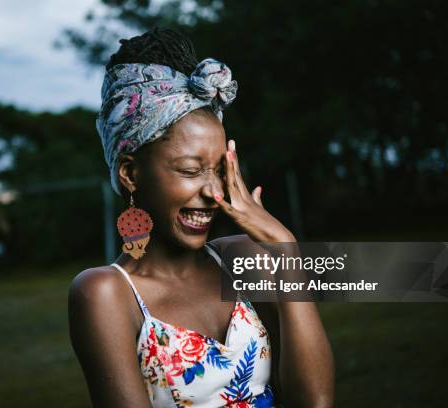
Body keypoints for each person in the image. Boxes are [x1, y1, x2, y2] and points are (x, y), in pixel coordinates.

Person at [68, 27, 334, 407]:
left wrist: (287, 254)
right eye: (191, 171)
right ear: (130, 173)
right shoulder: (105, 294)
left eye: (220, 171)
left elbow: (316, 403)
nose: (213, 192)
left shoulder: (243, 259)